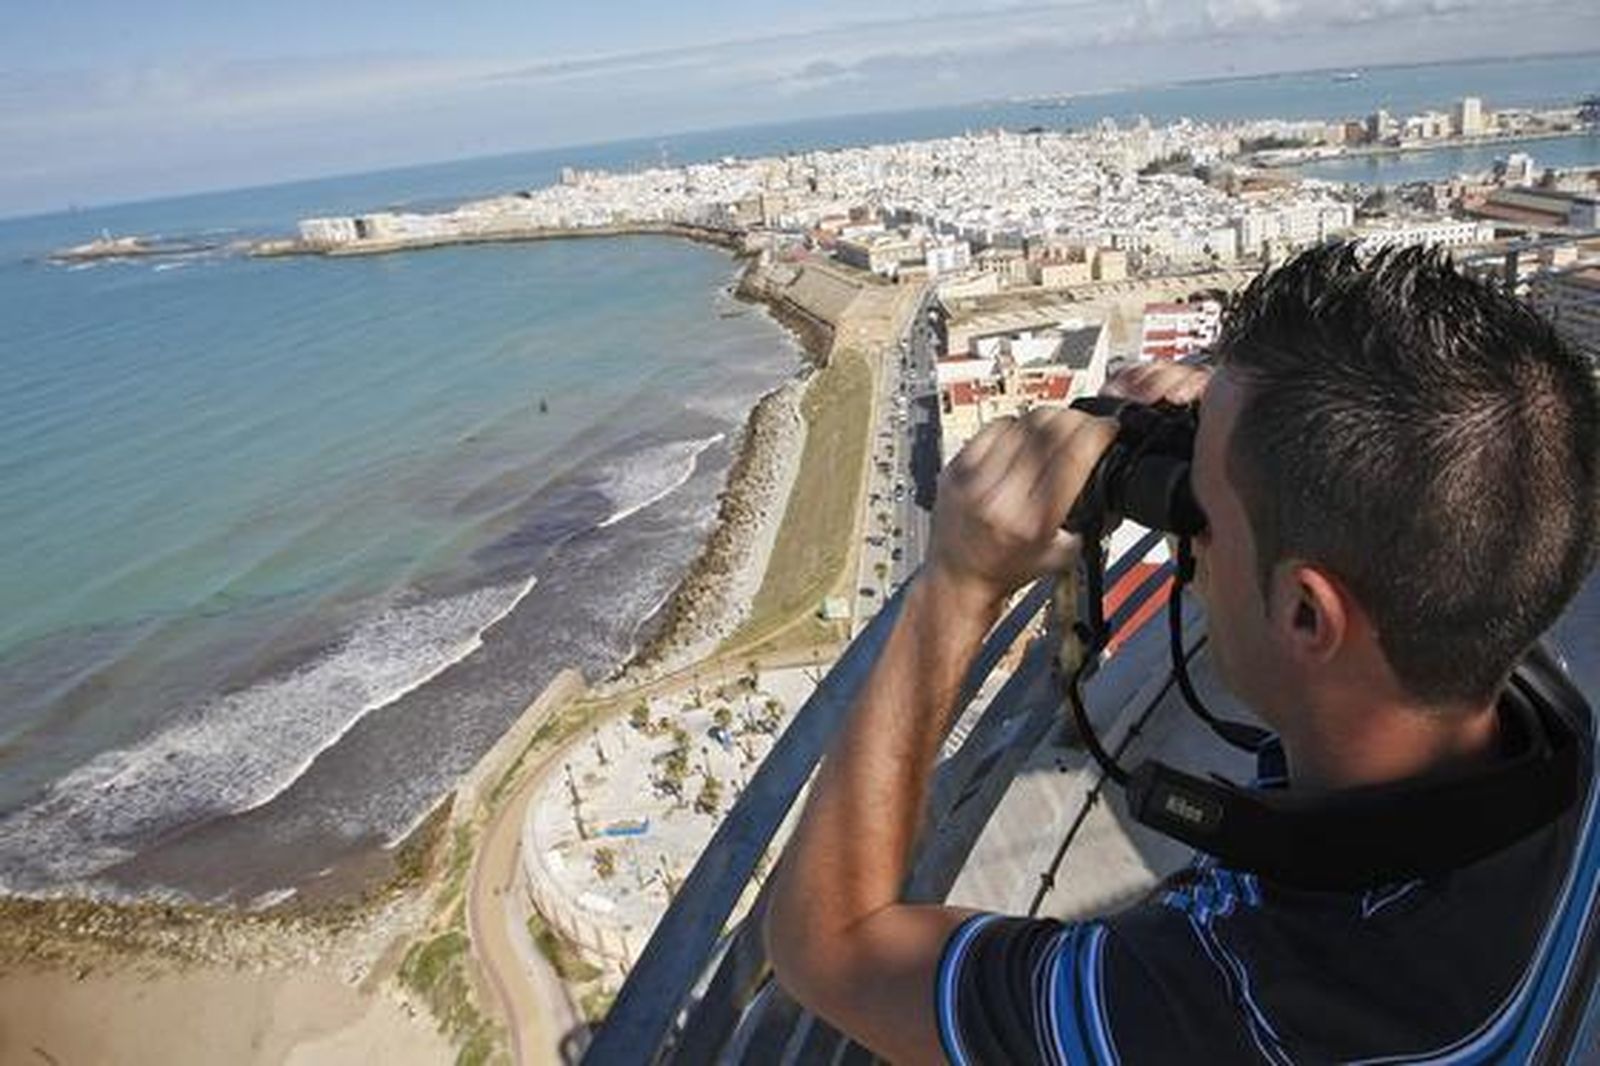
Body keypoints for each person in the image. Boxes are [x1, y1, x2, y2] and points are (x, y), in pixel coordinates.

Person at [763, 243, 1600, 1063]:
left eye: (1199, 508)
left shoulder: (1236, 1008)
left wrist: (956, 584)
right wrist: (1246, 451)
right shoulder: (1548, 719)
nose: (1187, 544)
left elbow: (831, 949)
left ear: (1309, 614)